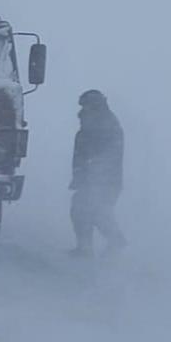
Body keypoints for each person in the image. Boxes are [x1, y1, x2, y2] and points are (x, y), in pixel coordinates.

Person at [70, 89, 126, 257]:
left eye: (86, 105)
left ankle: (113, 242)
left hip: (103, 181)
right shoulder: (92, 124)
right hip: (91, 179)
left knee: (94, 212)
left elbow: (108, 156)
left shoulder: (106, 126)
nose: (82, 109)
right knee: (84, 210)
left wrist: (94, 174)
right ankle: (86, 248)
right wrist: (80, 175)